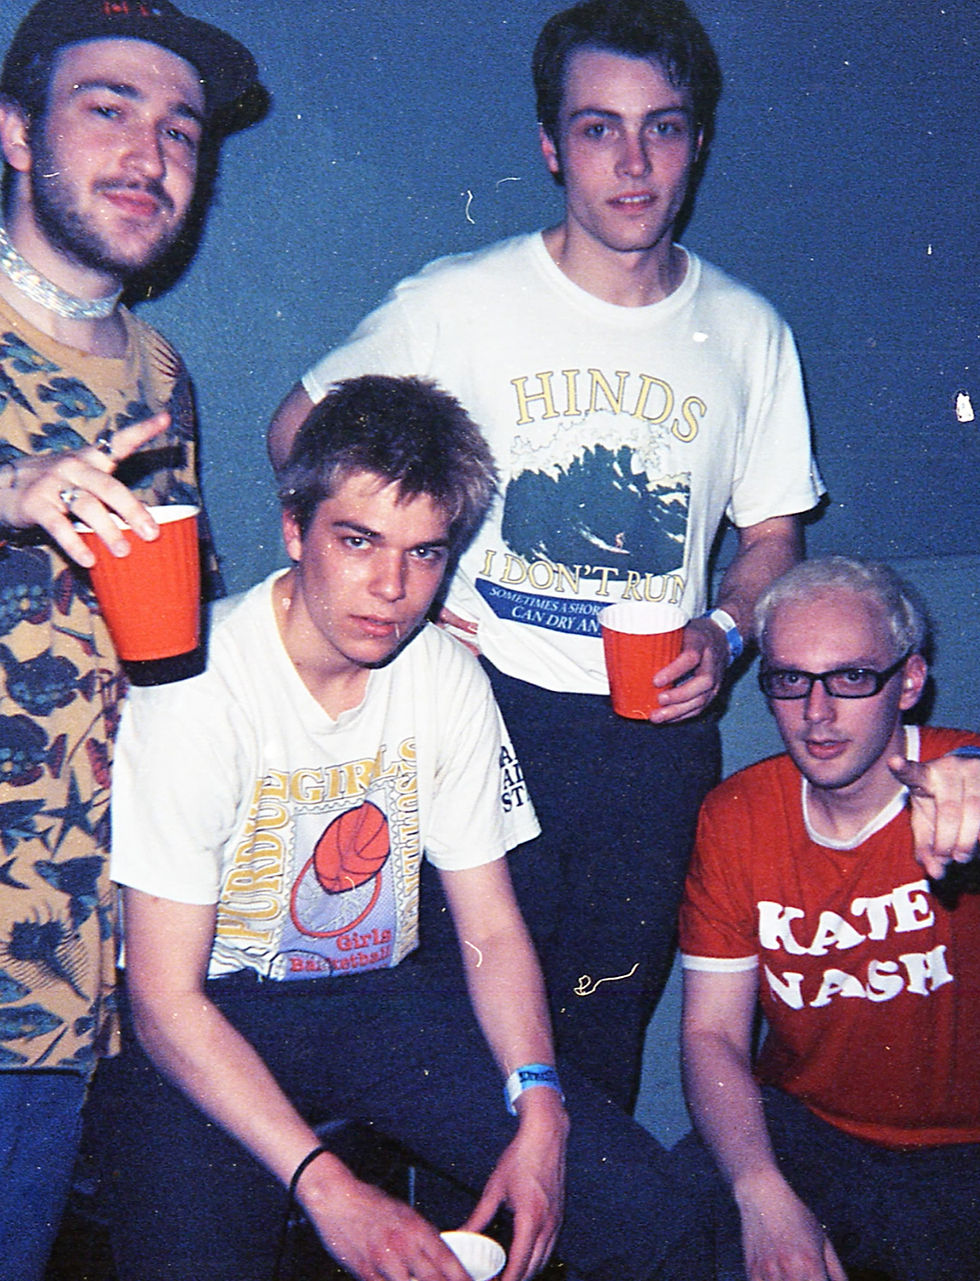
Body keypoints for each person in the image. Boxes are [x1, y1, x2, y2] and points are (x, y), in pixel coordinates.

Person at [267, 0, 824, 1111]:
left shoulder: (749, 331)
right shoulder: (457, 302)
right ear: (550, 146)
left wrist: (725, 633)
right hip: (479, 706)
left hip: (650, 738)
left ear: (697, 142)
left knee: (598, 1037)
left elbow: (773, 535)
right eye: (597, 128)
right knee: (446, 1042)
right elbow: (299, 433)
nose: (632, 162)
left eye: (662, 127)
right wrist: (407, 590)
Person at [107, 374, 711, 1281]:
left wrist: (541, 1106)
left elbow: (491, 926)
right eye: (358, 540)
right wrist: (329, 1186)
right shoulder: (196, 690)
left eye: (425, 553)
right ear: (293, 529)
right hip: (215, 1016)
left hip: (381, 1002)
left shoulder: (443, 674)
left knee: (652, 1214)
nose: (392, 588)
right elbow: (163, 998)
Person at [0, 0, 258, 1273]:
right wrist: (11, 493)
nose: (149, 154)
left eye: (180, 130)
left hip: (67, 975)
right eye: (107, 108)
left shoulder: (160, 374)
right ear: (13, 131)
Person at [678, 555, 980, 1281]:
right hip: (809, 1135)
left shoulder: (962, 785)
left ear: (909, 681)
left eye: (851, 678)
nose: (817, 712)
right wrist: (760, 1190)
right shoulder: (738, 815)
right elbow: (712, 1034)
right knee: (674, 1220)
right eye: (790, 680)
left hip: (966, 1154)